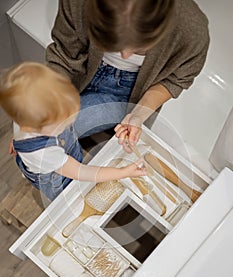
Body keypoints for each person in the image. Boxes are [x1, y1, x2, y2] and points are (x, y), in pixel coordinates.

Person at [46, 0, 210, 151]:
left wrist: (138, 114)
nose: (125, 56)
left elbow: (174, 80)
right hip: (81, 69)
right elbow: (63, 56)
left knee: (63, 132)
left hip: (132, 91)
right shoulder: (78, 3)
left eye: (139, 48)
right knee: (47, 131)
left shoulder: (192, 31)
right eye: (112, 43)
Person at [0, 62, 147, 201]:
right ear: (29, 127)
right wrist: (122, 172)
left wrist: (18, 139)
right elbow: (82, 172)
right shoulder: (43, 153)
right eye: (60, 123)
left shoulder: (25, 115)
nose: (69, 122)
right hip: (58, 180)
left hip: (58, 157)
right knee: (72, 196)